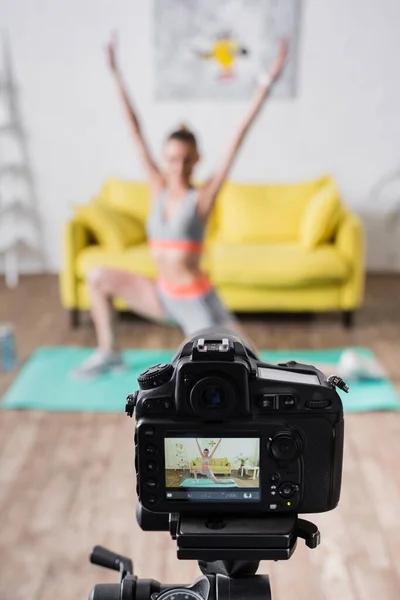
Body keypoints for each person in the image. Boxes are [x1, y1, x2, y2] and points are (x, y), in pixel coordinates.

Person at [73, 34, 289, 379]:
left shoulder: (201, 198)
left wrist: (267, 80)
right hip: (160, 294)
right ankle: (109, 351)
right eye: (172, 158)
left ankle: (337, 372)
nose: (177, 165)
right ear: (165, 158)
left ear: (196, 160)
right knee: (98, 277)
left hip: (196, 304)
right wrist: (114, 73)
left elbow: (238, 134)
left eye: (186, 159)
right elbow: (134, 129)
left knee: (252, 369)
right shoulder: (157, 187)